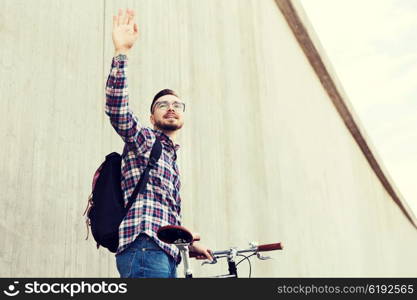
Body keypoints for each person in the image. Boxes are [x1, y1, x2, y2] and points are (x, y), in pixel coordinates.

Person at [105, 8, 212, 278]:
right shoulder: (145, 140)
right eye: (162, 105)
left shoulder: (171, 158)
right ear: (152, 117)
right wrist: (122, 52)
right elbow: (117, 110)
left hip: (166, 252)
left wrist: (187, 242)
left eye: (177, 105)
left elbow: (161, 207)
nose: (171, 108)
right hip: (144, 245)